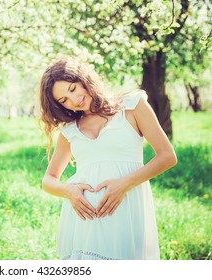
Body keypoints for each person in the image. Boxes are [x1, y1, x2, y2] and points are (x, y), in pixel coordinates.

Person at [38, 57, 177, 260]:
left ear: (83, 79)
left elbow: (167, 157)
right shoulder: (69, 131)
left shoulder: (132, 106)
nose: (74, 99)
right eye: (64, 100)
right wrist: (70, 191)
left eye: (73, 88)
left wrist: (124, 184)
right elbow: (48, 180)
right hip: (83, 218)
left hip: (126, 210)